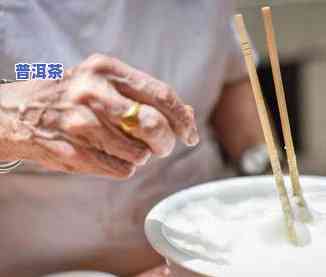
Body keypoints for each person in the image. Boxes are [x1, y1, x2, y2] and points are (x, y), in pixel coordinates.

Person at [0, 1, 264, 276]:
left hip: (199, 253)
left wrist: (262, 173)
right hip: (29, 262)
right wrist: (17, 120)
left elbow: (229, 74)